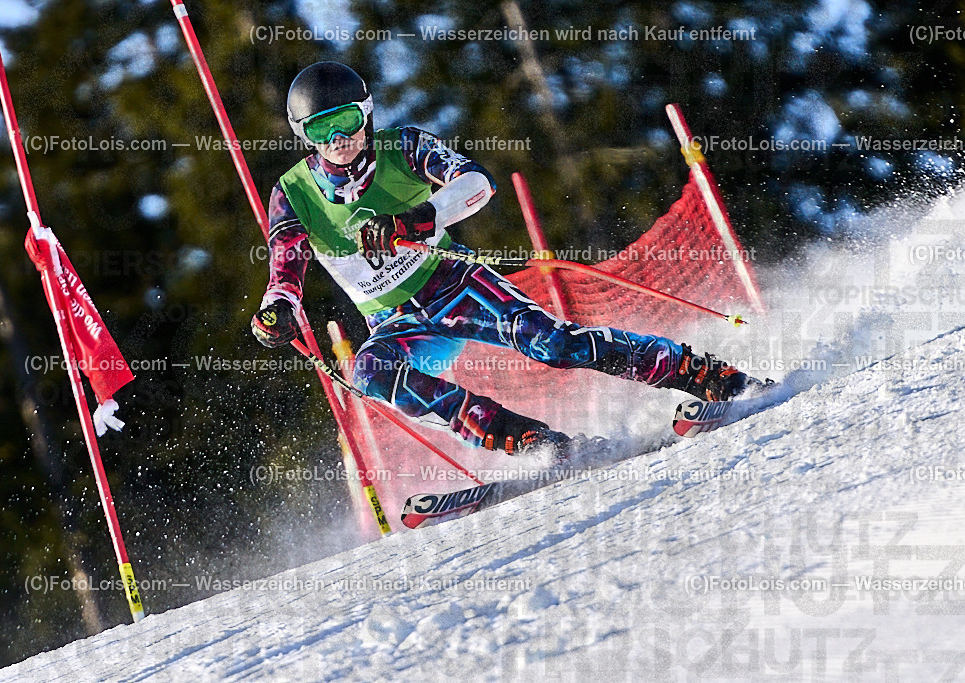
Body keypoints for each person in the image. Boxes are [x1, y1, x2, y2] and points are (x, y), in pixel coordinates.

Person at [252, 62, 760, 456]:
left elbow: (478, 183)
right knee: (371, 372)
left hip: (454, 285)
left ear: (365, 113)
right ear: (304, 136)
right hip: (396, 321)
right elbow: (286, 262)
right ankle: (525, 439)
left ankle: (701, 374)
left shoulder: (402, 147)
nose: (338, 141)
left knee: (552, 343)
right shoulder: (292, 193)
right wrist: (278, 307)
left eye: (345, 121)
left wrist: (418, 219)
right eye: (322, 130)